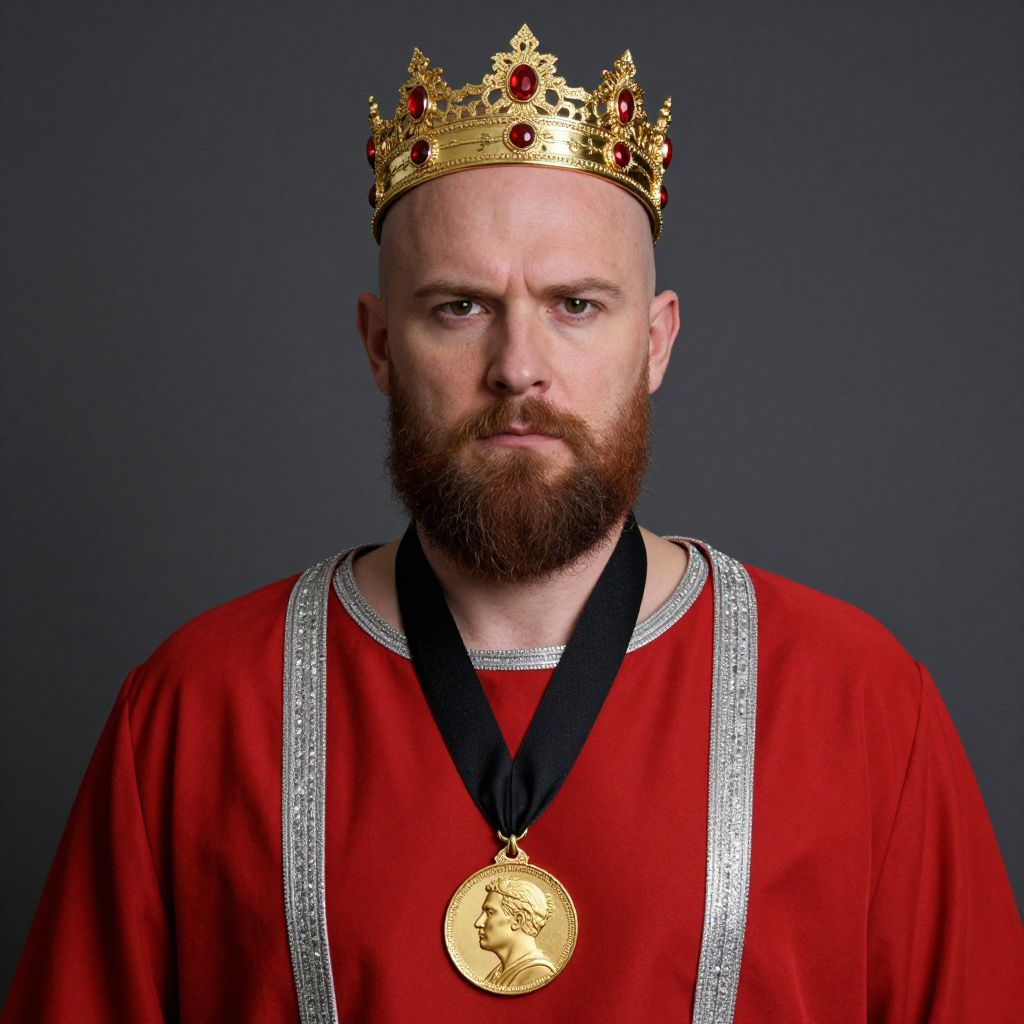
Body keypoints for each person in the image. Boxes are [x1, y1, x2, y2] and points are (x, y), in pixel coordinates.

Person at [3, 24, 1022, 1024]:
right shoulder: (195, 709)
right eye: (458, 307)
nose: (519, 367)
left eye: (576, 304)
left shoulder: (860, 704)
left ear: (656, 342)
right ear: (376, 344)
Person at [475, 879, 557, 989]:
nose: (478, 923)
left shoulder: (538, 973)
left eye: (489, 913)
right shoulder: (498, 973)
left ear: (518, 920)